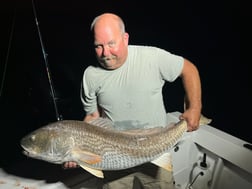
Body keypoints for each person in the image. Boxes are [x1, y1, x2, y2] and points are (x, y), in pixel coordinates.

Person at [64, 13, 202, 189]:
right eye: (99, 46)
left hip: (155, 149)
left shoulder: (152, 57)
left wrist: (195, 107)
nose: (106, 53)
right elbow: (92, 117)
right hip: (113, 158)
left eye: (111, 43)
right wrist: (76, 150)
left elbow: (189, 70)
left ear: (125, 38)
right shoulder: (90, 75)